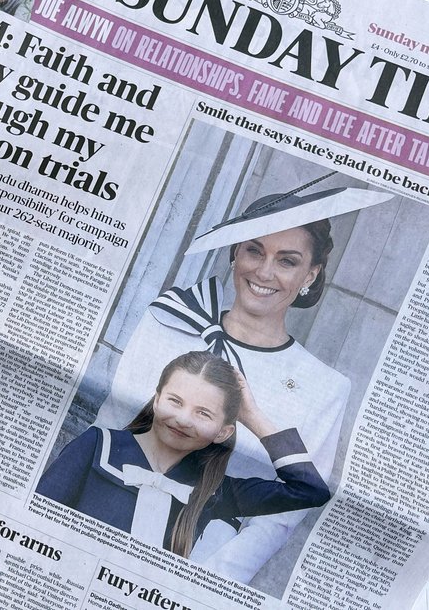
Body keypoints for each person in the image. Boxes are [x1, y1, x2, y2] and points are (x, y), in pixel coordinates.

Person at [97, 179, 390, 582]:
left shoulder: (324, 387)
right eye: (255, 250)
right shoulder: (168, 320)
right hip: (106, 509)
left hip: (203, 559)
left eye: (287, 261)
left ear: (311, 273)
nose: (264, 271)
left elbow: (279, 519)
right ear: (236, 252)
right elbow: (109, 426)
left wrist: (200, 585)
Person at [40, 351, 329, 557]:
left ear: (222, 433)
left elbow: (310, 491)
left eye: (203, 413)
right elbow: (35, 521)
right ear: (156, 400)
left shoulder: (216, 491)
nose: (184, 419)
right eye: (175, 401)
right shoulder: (97, 445)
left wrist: (252, 415)